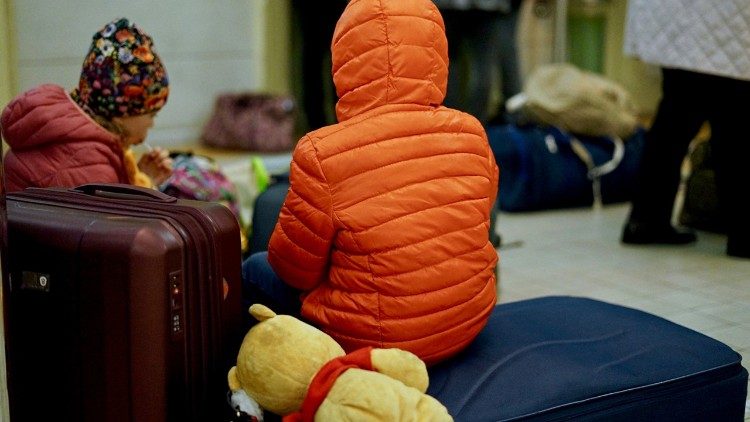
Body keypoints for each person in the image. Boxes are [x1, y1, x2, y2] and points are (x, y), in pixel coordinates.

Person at [243, 0, 499, 366]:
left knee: (255, 268)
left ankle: (253, 390)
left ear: (346, 61)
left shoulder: (322, 152)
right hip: (468, 320)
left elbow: (293, 270)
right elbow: (479, 212)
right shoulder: (471, 132)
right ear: (436, 53)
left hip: (377, 343)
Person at [620, 0, 750, 259]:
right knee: (736, 126)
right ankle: (744, 234)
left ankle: (645, 220)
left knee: (674, 118)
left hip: (676, 15)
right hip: (721, 18)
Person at [1, 18, 172, 193]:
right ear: (121, 114)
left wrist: (139, 175)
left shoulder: (71, 127)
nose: (152, 124)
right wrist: (148, 186)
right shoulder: (90, 165)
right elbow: (119, 218)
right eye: (152, 114)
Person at [433, 0, 523, 124]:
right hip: (488, 6)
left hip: (449, 6)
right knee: (483, 65)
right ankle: (477, 125)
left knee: (449, 64)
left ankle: (449, 124)